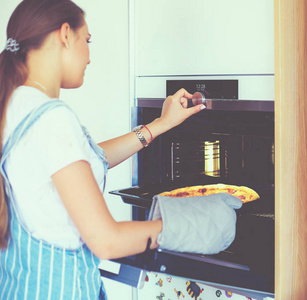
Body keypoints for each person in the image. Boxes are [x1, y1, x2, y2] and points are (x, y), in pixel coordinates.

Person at [0, 0, 208, 299]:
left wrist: (160, 125)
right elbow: (106, 241)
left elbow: (79, 163)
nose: (89, 56)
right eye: (88, 40)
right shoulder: (51, 118)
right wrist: (193, 226)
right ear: (65, 34)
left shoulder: (15, 103)